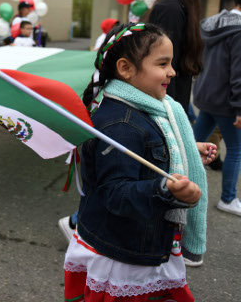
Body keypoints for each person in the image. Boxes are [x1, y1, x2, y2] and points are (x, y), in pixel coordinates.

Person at [64, 22, 213, 301]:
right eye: (163, 63)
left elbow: (150, 151)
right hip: (125, 254)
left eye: (172, 62)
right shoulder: (121, 125)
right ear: (126, 68)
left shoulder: (147, 107)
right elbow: (116, 193)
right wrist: (166, 189)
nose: (172, 71)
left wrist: (188, 149)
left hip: (141, 241)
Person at [192, 0, 241, 217]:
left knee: (190, 143)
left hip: (206, 95)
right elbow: (238, 74)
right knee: (235, 149)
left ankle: (169, 174)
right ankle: (228, 199)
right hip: (226, 102)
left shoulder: (214, 22)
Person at [148, 0, 207, 114]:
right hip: (167, 111)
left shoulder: (181, 7)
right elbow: (163, 69)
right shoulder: (170, 9)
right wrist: (172, 118)